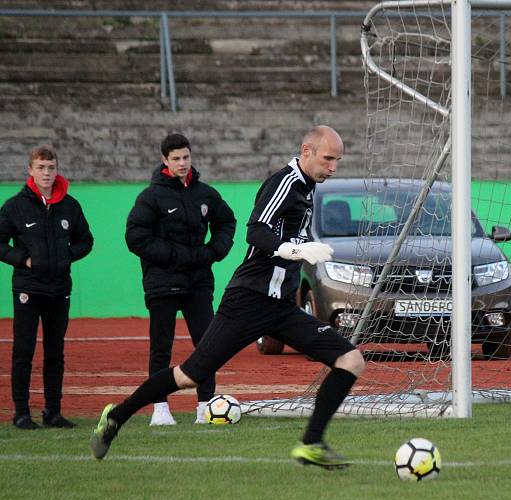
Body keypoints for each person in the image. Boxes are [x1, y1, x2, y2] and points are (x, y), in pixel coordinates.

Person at [90, 125, 366, 468]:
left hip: (280, 305)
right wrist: (294, 249)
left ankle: (311, 443)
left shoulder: (308, 188)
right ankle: (116, 417)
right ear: (306, 151)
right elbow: (256, 231)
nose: (333, 167)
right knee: (190, 375)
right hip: (248, 300)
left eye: (337, 160)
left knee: (350, 360)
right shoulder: (285, 181)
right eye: (328, 159)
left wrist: (302, 253)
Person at [125, 133, 236, 425]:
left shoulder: (205, 193)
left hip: (198, 281)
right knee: (161, 346)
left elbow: (227, 221)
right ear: (165, 160)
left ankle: (205, 406)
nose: (182, 163)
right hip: (162, 282)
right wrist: (174, 255)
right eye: (176, 159)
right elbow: (135, 237)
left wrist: (214, 251)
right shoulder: (150, 197)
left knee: (207, 344)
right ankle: (160, 408)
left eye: (186, 157)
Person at [0, 145, 93, 429]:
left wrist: (66, 256)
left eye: (51, 167)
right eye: (41, 167)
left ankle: (53, 412)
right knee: (23, 352)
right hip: (28, 289)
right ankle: (21, 413)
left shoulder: (70, 206)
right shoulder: (15, 206)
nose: (46, 173)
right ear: (30, 170)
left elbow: (85, 241)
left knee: (55, 353)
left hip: (59, 289)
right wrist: (24, 260)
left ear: (57, 170)